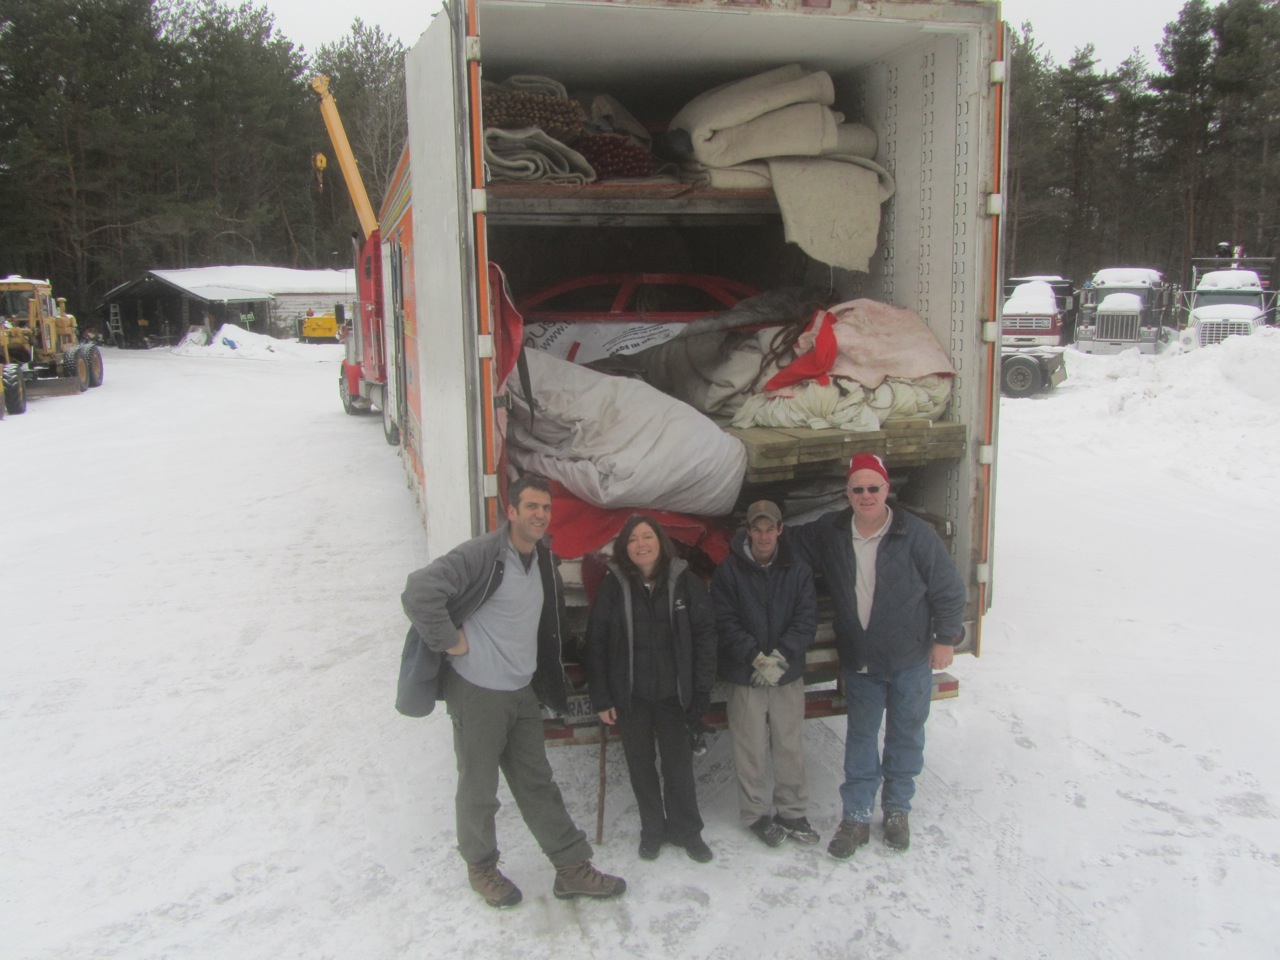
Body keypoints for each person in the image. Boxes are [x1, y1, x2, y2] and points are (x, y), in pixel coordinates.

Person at [401, 474, 626, 908]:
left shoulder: (542, 558)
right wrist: (450, 641)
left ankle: (571, 868)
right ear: (512, 511)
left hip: (521, 693)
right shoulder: (484, 554)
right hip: (479, 692)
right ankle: (482, 867)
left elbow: (549, 621)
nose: (540, 515)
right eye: (531, 507)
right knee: (480, 790)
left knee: (538, 784)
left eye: (546, 508)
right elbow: (420, 591)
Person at [786, 453, 966, 860]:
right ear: (847, 493)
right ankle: (857, 815)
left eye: (874, 488)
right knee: (862, 739)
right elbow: (786, 543)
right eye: (857, 489)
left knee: (905, 735)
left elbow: (950, 590)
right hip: (862, 662)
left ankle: (898, 810)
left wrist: (945, 639)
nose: (866, 495)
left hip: (909, 660)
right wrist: (752, 537)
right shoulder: (831, 532)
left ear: (887, 490)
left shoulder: (914, 534)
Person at [584, 515, 718, 863]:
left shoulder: (685, 582)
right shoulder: (614, 585)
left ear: (661, 542)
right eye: (633, 539)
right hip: (632, 698)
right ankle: (653, 831)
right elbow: (596, 641)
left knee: (678, 767)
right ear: (625, 548)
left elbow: (705, 638)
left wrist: (700, 692)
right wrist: (602, 696)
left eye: (648, 537)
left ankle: (687, 831)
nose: (641, 544)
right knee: (641, 766)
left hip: (674, 697)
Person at [711, 499, 819, 848]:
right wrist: (756, 658)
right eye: (756, 529)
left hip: (786, 674)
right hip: (745, 674)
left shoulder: (798, 570)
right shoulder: (728, 571)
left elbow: (806, 621)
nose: (763, 536)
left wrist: (781, 658)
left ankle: (793, 811)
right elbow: (724, 621)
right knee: (750, 747)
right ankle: (756, 814)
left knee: (789, 744)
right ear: (748, 532)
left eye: (769, 528)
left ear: (779, 530)